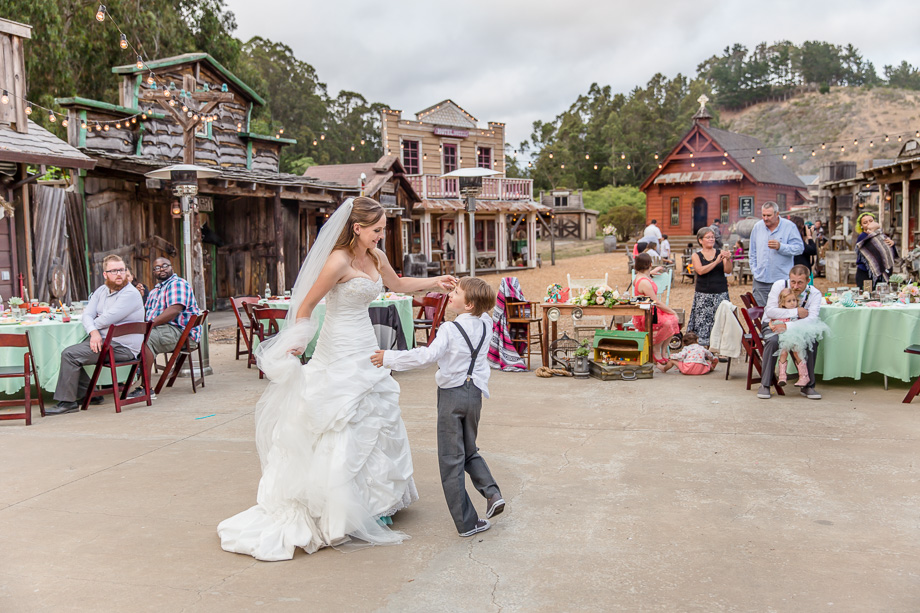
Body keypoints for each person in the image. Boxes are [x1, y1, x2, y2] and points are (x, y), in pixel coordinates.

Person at [218, 197, 458, 561]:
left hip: (364, 342)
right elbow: (306, 305)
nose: (382, 234)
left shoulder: (376, 257)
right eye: (376, 229)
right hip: (337, 347)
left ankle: (374, 501)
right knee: (340, 417)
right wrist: (297, 342)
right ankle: (336, 507)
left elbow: (398, 283)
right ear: (357, 228)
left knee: (376, 413)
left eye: (383, 229)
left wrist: (435, 282)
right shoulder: (337, 261)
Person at [371, 277, 504, 538]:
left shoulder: (449, 330)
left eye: (456, 292)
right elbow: (483, 313)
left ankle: (467, 523)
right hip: (474, 394)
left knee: (450, 460)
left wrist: (390, 357)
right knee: (469, 450)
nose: (451, 295)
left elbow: (427, 356)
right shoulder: (487, 324)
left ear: (468, 305)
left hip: (452, 396)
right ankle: (492, 492)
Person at [46, 255, 145, 415]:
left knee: (70, 355)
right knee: (66, 349)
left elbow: (106, 319)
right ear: (105, 274)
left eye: (122, 270)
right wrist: (93, 332)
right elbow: (87, 315)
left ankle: (68, 402)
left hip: (123, 348)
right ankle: (89, 394)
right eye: (114, 271)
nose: (119, 274)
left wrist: (94, 325)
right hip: (105, 341)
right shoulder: (101, 290)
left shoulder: (130, 294)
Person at [132, 257, 201, 398]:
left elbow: (174, 310)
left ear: (172, 267)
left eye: (165, 266)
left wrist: (149, 326)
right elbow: (146, 314)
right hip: (163, 329)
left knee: (146, 339)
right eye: (157, 268)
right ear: (153, 272)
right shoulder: (155, 290)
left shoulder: (178, 284)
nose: (161, 269)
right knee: (132, 336)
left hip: (181, 331)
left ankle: (146, 388)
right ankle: (129, 377)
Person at [757, 265, 824, 400]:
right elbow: (770, 311)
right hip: (772, 324)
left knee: (811, 341)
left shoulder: (815, 294)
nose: (795, 286)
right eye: (793, 281)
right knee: (773, 341)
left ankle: (808, 386)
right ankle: (765, 384)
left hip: (799, 327)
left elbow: (812, 319)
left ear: (808, 280)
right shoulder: (779, 285)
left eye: (800, 282)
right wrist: (796, 312)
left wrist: (787, 326)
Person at [768, 288, 829, 387]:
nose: (792, 303)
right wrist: (771, 326)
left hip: (795, 335)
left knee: (797, 353)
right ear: (783, 303)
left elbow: (803, 322)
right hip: (785, 336)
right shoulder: (781, 312)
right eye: (789, 301)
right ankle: (782, 376)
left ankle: (804, 376)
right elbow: (771, 320)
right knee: (783, 353)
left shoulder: (798, 312)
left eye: (794, 300)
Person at [748, 202, 804, 306]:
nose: (765, 218)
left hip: (781, 279)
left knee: (782, 311)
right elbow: (752, 253)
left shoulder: (789, 227)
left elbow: (799, 248)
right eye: (763, 215)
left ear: (777, 214)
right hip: (760, 280)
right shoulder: (757, 227)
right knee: (762, 313)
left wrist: (781, 247)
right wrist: (755, 271)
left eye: (769, 215)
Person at [687, 227, 732, 346]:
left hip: (721, 291)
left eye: (712, 237)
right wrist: (716, 261)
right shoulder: (696, 255)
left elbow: (728, 271)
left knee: (721, 320)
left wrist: (727, 260)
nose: (711, 239)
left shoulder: (720, 252)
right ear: (700, 240)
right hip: (703, 293)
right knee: (703, 321)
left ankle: (721, 347)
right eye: (708, 237)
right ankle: (703, 346)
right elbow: (700, 271)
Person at [631, 253, 680, 363]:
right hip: (647, 313)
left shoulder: (641, 276)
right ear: (650, 264)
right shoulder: (644, 282)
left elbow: (645, 276)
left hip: (652, 310)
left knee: (673, 320)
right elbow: (656, 302)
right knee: (670, 321)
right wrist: (672, 311)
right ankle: (656, 348)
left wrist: (651, 272)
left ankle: (663, 349)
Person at [854, 212, 897, 290]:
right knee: (866, 295)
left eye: (871, 221)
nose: (868, 223)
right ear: (861, 226)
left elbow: (888, 251)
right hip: (866, 273)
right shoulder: (863, 237)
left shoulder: (881, 236)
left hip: (881, 273)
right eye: (865, 222)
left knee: (880, 297)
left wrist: (892, 244)